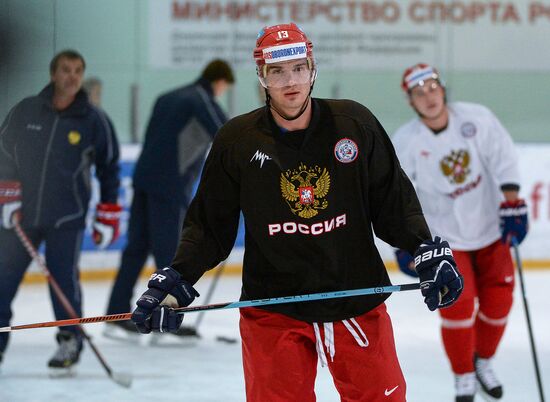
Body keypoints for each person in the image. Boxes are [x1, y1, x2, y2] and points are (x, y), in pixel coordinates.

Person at [127, 23, 464, 401]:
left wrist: (425, 251)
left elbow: (392, 201)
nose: (291, 81)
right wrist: (176, 279)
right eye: (277, 71)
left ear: (313, 70)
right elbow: (209, 226)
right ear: (262, 76)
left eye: (299, 68)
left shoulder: (354, 124)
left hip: (354, 296)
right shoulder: (237, 140)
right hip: (273, 307)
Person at [392, 63, 528, 402]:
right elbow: (398, 195)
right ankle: (463, 375)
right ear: (411, 101)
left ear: (442, 89)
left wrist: (512, 203)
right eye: (419, 93)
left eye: (432, 88)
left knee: (499, 303)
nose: (428, 97)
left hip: (490, 229)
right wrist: (405, 242)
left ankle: (483, 361)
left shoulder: (476, 119)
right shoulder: (407, 141)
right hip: (445, 240)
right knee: (457, 305)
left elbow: (504, 158)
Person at [0, 49, 121, 373]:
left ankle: (70, 340)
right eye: (66, 70)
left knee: (63, 284)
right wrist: (8, 191)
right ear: (53, 74)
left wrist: (108, 212)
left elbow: (109, 168)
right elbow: (3, 151)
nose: (72, 76)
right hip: (20, 217)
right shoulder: (26, 111)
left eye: (78, 71)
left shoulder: (93, 119)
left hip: (66, 217)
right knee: (2, 280)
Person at [104, 59, 234, 338]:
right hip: (170, 184)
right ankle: (166, 317)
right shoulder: (201, 98)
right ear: (220, 82)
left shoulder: (168, 97)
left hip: (144, 179)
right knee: (173, 253)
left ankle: (116, 312)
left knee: (136, 248)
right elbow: (227, 134)